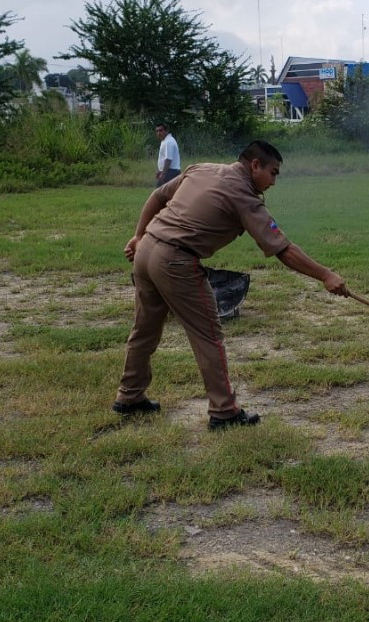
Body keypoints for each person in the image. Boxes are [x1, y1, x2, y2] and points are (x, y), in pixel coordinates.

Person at [114, 140, 350, 430]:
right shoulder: (244, 195)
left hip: (147, 250)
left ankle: (129, 396)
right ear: (255, 165)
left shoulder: (202, 168)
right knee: (208, 336)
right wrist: (326, 275)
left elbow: (157, 196)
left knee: (144, 330)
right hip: (176, 261)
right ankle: (224, 411)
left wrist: (139, 236)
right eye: (273, 173)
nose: (274, 182)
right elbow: (283, 249)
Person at [154, 123, 181, 187]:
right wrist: (160, 171)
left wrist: (163, 174)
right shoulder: (165, 141)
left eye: (161, 130)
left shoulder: (169, 142)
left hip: (170, 172)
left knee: (159, 192)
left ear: (166, 131)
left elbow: (168, 159)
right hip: (169, 172)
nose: (158, 133)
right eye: (157, 131)